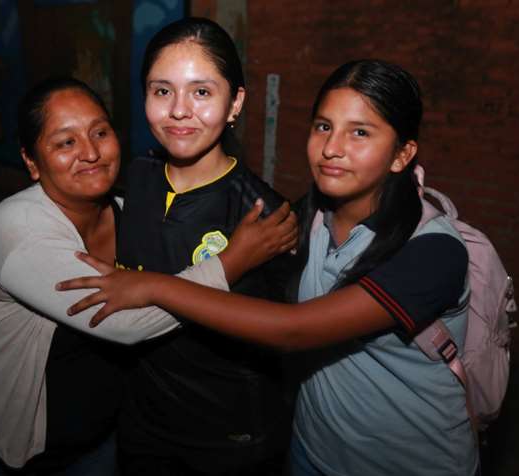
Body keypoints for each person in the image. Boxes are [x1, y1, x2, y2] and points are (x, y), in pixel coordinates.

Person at [59, 59, 480, 476]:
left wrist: (153, 286)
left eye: (360, 133)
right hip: (311, 452)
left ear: (402, 154)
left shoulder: (434, 251)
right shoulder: (304, 221)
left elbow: (292, 330)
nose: (332, 148)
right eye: (323, 126)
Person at [0, 77, 295, 476]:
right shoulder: (17, 228)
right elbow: (124, 322)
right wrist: (232, 261)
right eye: (65, 142)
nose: (90, 152)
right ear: (32, 163)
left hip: (100, 443)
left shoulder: (133, 213)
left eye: (100, 133)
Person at [89, 17, 295, 476]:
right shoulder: (136, 177)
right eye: (162, 91)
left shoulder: (264, 216)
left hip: (228, 437)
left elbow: (281, 334)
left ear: (235, 102)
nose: (179, 110)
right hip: (141, 424)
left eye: (201, 92)